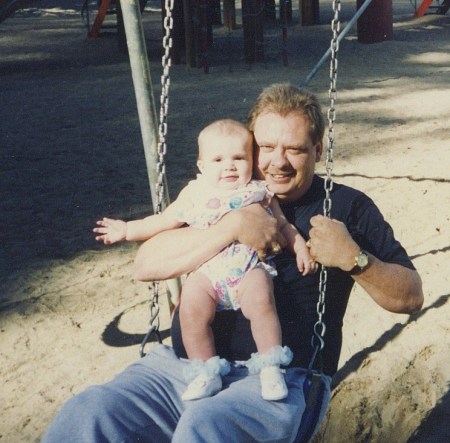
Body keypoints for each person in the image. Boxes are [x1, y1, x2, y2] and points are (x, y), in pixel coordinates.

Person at [43, 84, 423, 443]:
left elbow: (410, 297)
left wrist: (355, 259)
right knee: (86, 412)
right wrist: (233, 227)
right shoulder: (217, 195)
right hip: (182, 368)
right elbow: (145, 264)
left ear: (319, 149)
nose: (277, 162)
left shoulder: (346, 207)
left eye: (295, 149)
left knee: (205, 426)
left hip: (279, 379)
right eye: (266, 147)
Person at [93, 119, 316, 402]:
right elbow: (162, 221)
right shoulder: (195, 194)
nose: (229, 166)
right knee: (190, 311)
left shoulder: (259, 192)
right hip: (206, 273)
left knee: (262, 302)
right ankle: (205, 372)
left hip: (247, 269)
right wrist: (126, 230)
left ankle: (270, 367)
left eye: (239, 158)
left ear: (252, 161)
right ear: (201, 166)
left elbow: (284, 226)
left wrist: (301, 249)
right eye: (218, 159)